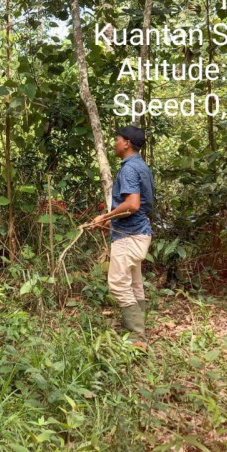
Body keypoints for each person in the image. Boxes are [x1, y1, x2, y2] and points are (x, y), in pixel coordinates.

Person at [92, 125, 155, 344]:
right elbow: (138, 206)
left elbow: (133, 204)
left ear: (127, 143)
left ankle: (137, 338)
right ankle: (139, 330)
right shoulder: (141, 166)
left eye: (117, 139)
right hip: (138, 232)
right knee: (134, 283)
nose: (114, 143)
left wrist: (105, 216)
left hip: (130, 235)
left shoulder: (129, 169)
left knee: (118, 283)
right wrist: (109, 221)